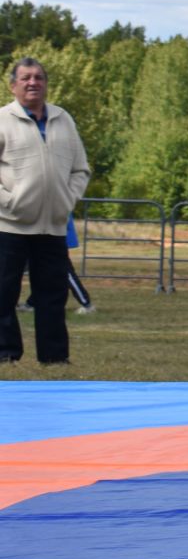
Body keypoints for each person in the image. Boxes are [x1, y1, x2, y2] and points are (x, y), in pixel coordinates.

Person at [0, 58, 91, 365]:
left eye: (38, 77)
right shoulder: (2, 120)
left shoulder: (64, 120)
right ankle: (5, 353)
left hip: (52, 226)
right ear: (13, 85)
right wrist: (9, 202)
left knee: (52, 296)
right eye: (25, 78)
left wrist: (67, 199)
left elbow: (81, 169)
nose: (32, 82)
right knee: (3, 293)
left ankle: (54, 357)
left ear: (46, 83)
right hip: (9, 225)